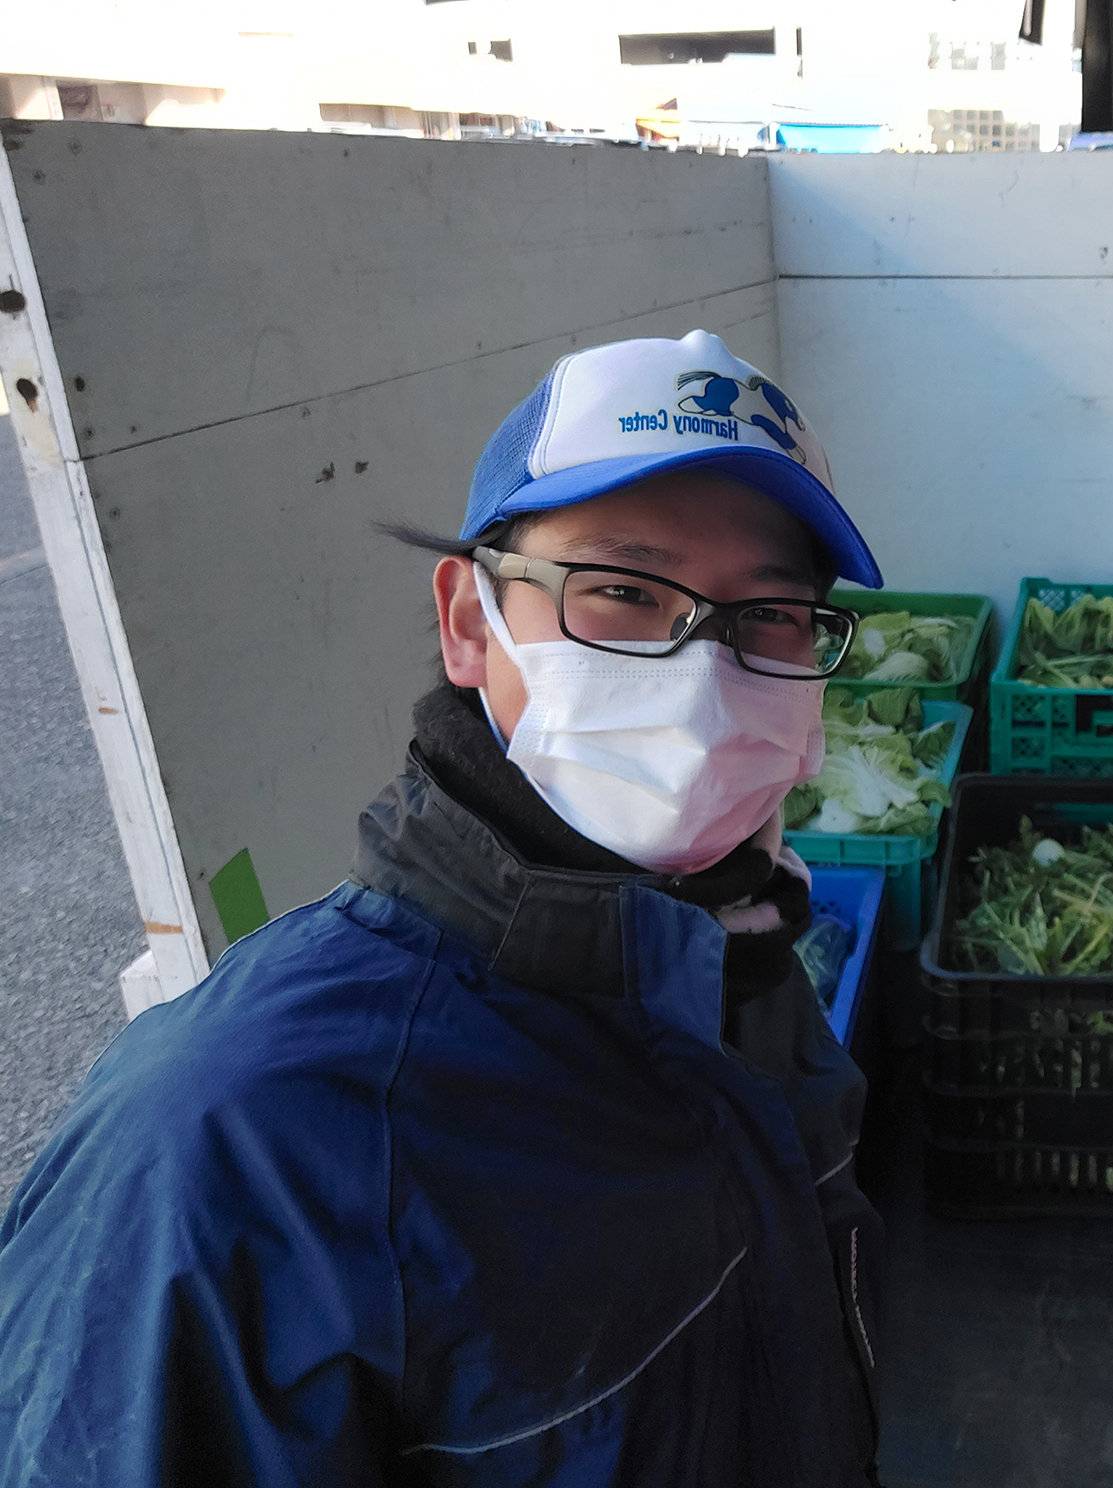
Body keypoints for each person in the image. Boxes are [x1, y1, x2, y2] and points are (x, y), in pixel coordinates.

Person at [0, 331, 892, 1486]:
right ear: (471, 623)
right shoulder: (225, 1141)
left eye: (770, 615)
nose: (704, 676)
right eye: (621, 591)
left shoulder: (737, 943)